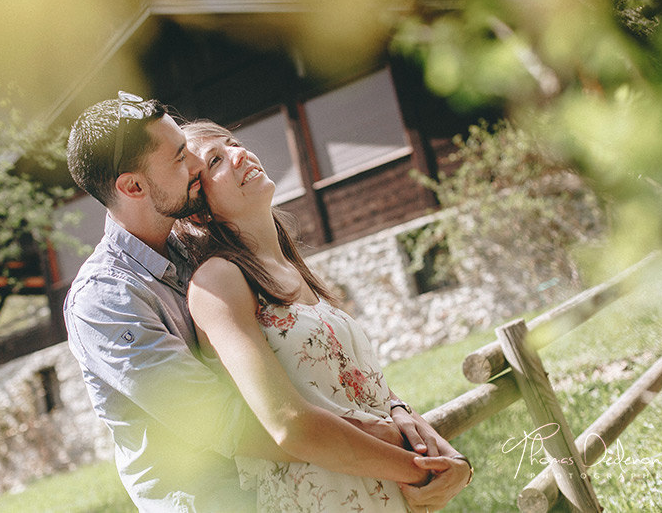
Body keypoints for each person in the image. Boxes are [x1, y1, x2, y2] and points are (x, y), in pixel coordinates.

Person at [64, 92, 470, 512]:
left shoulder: (202, 249)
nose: (195, 168)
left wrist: (397, 414)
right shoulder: (104, 300)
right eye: (180, 157)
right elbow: (222, 420)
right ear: (133, 186)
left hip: (314, 478)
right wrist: (393, 447)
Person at [176, 120, 473, 512]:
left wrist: (450, 460)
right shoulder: (218, 281)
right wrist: (420, 471)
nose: (239, 154)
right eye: (215, 160)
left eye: (233, 143)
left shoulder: (295, 269)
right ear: (199, 214)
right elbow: (289, 425)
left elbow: (368, 390)